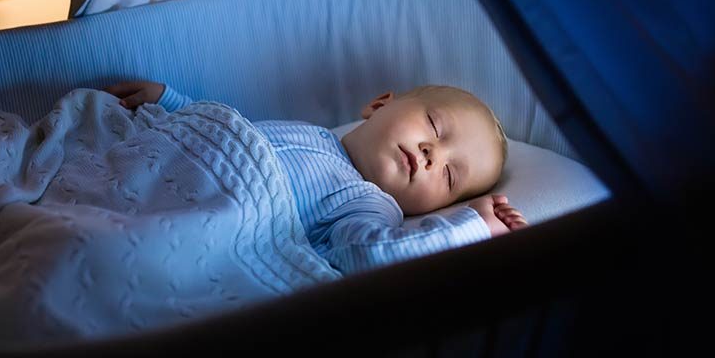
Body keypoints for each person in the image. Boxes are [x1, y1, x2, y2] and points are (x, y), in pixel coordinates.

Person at [104, 80, 528, 275]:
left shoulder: (369, 206)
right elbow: (239, 133)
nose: (432, 155)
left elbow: (374, 255)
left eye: (450, 176)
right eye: (434, 127)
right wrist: (174, 104)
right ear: (379, 104)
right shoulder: (314, 132)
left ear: (439, 207)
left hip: (193, 223)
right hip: (165, 165)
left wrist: (472, 225)